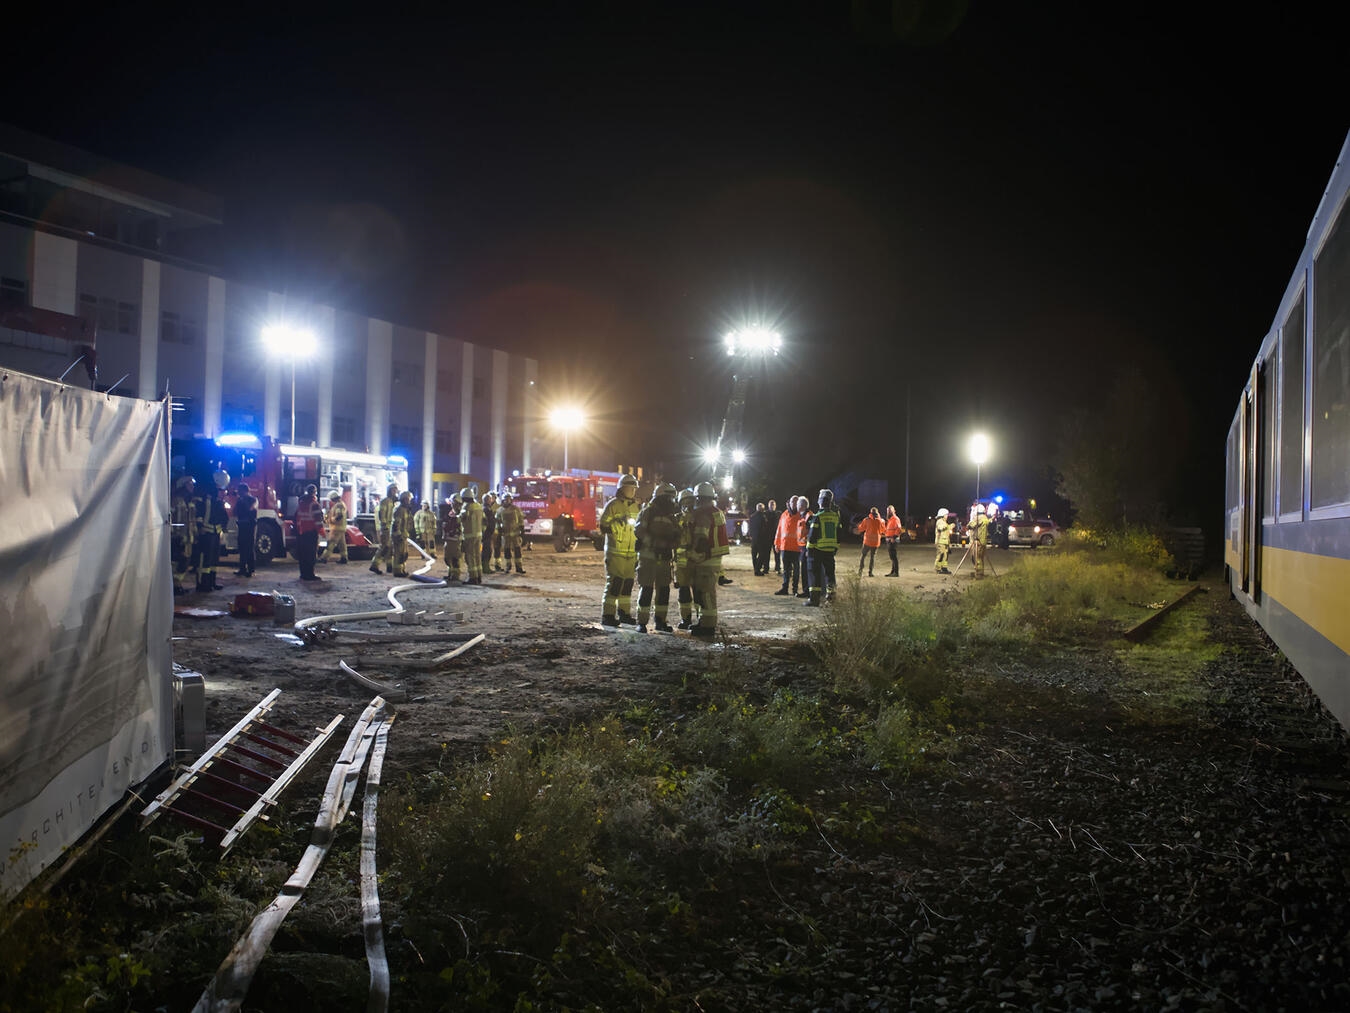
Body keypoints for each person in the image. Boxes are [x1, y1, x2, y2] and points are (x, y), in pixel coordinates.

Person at [634, 482, 681, 632]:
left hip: (665, 558)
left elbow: (678, 534)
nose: (671, 502)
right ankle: (642, 622)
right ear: (661, 497)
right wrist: (655, 542)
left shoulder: (671, 516)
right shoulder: (648, 511)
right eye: (669, 498)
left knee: (664, 590)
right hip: (649, 557)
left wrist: (673, 542)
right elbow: (639, 530)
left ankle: (660, 621)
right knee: (646, 589)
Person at [686, 481, 730, 636]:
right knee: (705, 592)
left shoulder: (702, 513)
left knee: (704, 593)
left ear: (699, 498)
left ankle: (708, 626)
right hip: (714, 559)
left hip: (705, 559)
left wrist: (693, 556)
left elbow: (701, 538)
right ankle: (704, 622)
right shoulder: (717, 512)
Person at [599, 473, 641, 626]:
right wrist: (617, 522)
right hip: (615, 552)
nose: (633, 491)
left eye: (634, 488)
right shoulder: (613, 505)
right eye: (630, 488)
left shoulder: (637, 507)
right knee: (615, 583)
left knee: (627, 583)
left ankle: (624, 613)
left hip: (631, 554)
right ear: (622, 488)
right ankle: (608, 615)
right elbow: (603, 526)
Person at [805, 488, 840, 606]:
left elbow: (812, 535)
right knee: (830, 575)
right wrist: (835, 547)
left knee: (814, 573)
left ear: (820, 501)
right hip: (830, 550)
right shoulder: (835, 516)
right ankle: (831, 598)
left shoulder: (817, 516)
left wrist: (809, 549)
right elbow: (839, 533)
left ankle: (814, 600)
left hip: (817, 549)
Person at [196, 475, 229, 592]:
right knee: (204, 560)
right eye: (222, 491)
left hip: (216, 533)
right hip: (206, 533)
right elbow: (199, 513)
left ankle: (211, 582)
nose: (224, 493)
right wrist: (200, 527)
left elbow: (223, 517)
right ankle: (202, 584)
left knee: (214, 560)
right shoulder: (206, 499)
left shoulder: (218, 501)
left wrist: (223, 529)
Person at [674, 487, 699, 629]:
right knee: (683, 592)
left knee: (698, 591)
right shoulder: (677, 519)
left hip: (696, 559)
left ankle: (700, 619)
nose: (688, 504)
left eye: (691, 501)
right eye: (686, 501)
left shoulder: (699, 518)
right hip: (682, 561)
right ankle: (686, 619)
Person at [171, 476, 197, 595]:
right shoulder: (175, 500)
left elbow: (192, 520)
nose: (192, 487)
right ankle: (174, 586)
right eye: (189, 485)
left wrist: (194, 534)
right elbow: (170, 517)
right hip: (177, 537)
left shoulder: (190, 502)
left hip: (188, 538)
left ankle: (178, 584)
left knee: (185, 562)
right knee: (176, 562)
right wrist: (174, 534)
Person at [773, 496, 802, 596]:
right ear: (789, 503)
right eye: (793, 502)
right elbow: (779, 530)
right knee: (786, 570)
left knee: (796, 570)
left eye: (796, 502)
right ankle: (785, 588)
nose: (794, 504)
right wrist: (777, 543)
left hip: (797, 548)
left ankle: (795, 589)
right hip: (785, 547)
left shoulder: (801, 515)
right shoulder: (784, 515)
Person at [295, 483, 324, 581]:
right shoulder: (314, 504)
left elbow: (297, 517)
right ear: (315, 492)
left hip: (301, 532)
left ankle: (303, 574)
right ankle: (310, 574)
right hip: (311, 532)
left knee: (303, 554)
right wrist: (322, 531)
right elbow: (318, 520)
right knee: (311, 554)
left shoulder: (301, 503)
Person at [371, 483, 399, 575]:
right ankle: (374, 565)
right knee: (384, 546)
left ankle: (389, 566)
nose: (395, 492)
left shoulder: (391, 502)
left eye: (396, 490)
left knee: (389, 548)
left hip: (389, 528)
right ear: (390, 491)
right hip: (386, 528)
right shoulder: (385, 501)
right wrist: (384, 526)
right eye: (393, 490)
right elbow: (382, 514)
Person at [459, 487, 484, 585]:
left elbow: (460, 519)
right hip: (478, 535)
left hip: (469, 536)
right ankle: (479, 576)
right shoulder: (478, 506)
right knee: (477, 556)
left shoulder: (466, 507)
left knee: (470, 557)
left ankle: (473, 578)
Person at [234, 482, 258, 576]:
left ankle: (250, 569)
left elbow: (250, 509)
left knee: (248, 547)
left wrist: (242, 500)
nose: (238, 493)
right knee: (242, 548)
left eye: (239, 491)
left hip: (249, 526)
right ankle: (242, 568)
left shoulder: (253, 499)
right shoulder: (240, 500)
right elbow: (235, 512)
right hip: (242, 526)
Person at [498, 493, 526, 573]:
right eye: (506, 499)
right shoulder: (500, 510)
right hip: (505, 534)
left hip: (515, 533)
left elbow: (521, 519)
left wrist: (522, 529)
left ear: (511, 500)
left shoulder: (516, 509)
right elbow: (497, 521)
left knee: (517, 550)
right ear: (503, 500)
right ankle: (508, 566)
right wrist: (499, 529)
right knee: (507, 550)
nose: (507, 501)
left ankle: (519, 567)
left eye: (509, 499)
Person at [391, 491, 415, 577]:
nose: (409, 501)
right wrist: (398, 535)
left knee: (404, 554)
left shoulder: (405, 510)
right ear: (405, 499)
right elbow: (396, 524)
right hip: (399, 536)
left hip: (404, 535)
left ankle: (402, 569)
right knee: (399, 553)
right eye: (409, 499)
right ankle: (397, 571)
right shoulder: (400, 510)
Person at [855, 506, 885, 577]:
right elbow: (883, 530)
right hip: (875, 542)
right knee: (872, 557)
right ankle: (870, 572)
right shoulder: (881, 521)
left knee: (863, 556)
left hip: (867, 541)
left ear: (871, 513)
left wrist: (858, 527)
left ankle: (860, 571)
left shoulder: (866, 520)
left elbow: (861, 528)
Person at [321, 490, 348, 564]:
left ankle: (324, 558)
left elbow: (339, 516)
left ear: (333, 498)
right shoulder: (341, 504)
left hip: (336, 528)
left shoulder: (338, 505)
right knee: (342, 545)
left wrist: (330, 520)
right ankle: (344, 558)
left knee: (331, 543)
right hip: (341, 528)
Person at [794, 495, 813, 597]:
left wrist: (808, 548)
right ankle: (806, 590)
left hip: (807, 548)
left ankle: (807, 592)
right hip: (803, 547)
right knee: (804, 570)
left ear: (801, 505)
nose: (796, 506)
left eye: (797, 504)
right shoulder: (803, 516)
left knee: (806, 571)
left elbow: (811, 533)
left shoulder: (808, 516)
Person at [441, 495, 463, 581]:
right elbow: (446, 525)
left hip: (456, 539)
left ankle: (455, 575)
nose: (452, 504)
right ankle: (450, 573)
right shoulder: (450, 513)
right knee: (447, 557)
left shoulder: (461, 513)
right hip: (448, 539)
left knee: (455, 558)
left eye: (454, 503)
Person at [747, 501, 771, 576]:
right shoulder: (763, 517)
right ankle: (757, 569)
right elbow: (765, 528)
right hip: (761, 538)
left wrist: (750, 535)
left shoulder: (752, 516)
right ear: (762, 509)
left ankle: (755, 568)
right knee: (762, 554)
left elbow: (750, 527)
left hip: (754, 538)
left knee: (754, 554)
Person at [969, 502, 991, 578]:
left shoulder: (979, 518)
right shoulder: (985, 518)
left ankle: (978, 574)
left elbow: (971, 525)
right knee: (981, 558)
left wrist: (969, 525)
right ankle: (981, 572)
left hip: (978, 541)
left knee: (977, 558)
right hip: (983, 540)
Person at [481, 491, 500, 573]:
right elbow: (487, 522)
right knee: (487, 551)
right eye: (489, 499)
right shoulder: (486, 510)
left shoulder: (485, 509)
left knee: (487, 550)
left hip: (487, 533)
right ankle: (485, 568)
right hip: (486, 534)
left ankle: (485, 567)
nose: (490, 500)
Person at [883, 504, 902, 577]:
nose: (888, 512)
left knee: (893, 556)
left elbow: (898, 529)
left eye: (890, 510)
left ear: (894, 511)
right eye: (888, 511)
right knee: (892, 557)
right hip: (889, 540)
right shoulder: (890, 520)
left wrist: (893, 537)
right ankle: (893, 572)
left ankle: (896, 573)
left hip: (893, 540)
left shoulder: (895, 519)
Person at [933, 507, 953, 574]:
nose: (947, 516)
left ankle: (944, 568)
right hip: (940, 542)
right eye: (946, 515)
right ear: (942, 515)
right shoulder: (939, 522)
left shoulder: (944, 522)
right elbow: (941, 528)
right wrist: (949, 526)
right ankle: (937, 568)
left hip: (945, 542)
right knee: (940, 555)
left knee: (945, 556)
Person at [767, 498, 782, 574]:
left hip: (776, 536)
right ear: (768, 506)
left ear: (775, 506)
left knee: (777, 553)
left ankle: (777, 567)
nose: (772, 506)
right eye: (771, 505)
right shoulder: (765, 514)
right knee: (767, 553)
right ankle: (766, 568)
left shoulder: (779, 514)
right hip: (768, 536)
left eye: (773, 505)